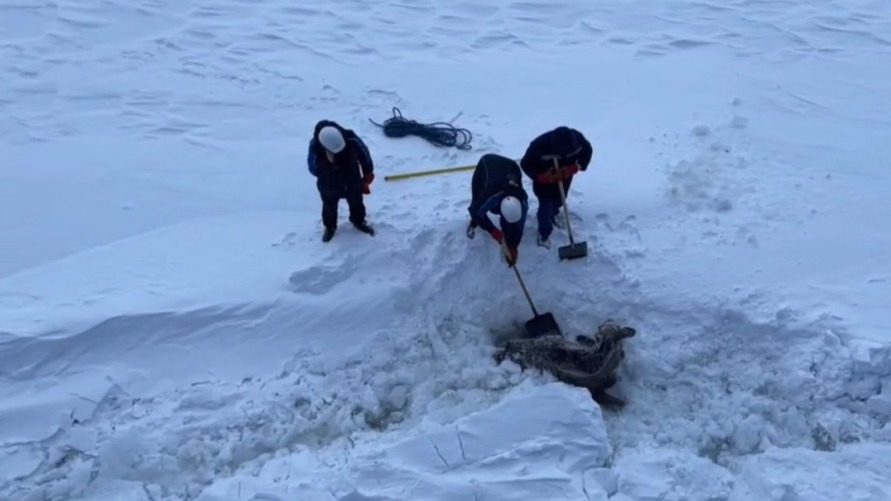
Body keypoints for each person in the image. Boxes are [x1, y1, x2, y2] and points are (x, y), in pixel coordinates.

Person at [519, 126, 593, 248]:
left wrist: (574, 168)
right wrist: (544, 177)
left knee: (559, 199)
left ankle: (554, 213)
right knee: (545, 206)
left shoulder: (578, 140)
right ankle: (544, 233)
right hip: (544, 180)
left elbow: (587, 151)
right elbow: (525, 164)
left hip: (565, 177)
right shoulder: (539, 145)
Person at [307, 120, 376, 242]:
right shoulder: (315, 146)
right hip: (328, 185)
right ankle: (330, 227)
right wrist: (327, 168)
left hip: (352, 180)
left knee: (357, 203)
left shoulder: (351, 139)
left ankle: (358, 221)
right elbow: (312, 168)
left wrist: (368, 172)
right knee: (329, 206)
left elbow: (364, 154)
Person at [466, 153, 529, 266]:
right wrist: (492, 230)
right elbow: (475, 211)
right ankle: (474, 223)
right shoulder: (491, 195)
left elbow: (519, 226)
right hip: (487, 163)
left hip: (512, 167)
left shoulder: (523, 204)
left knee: (513, 226)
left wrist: (513, 246)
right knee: (477, 202)